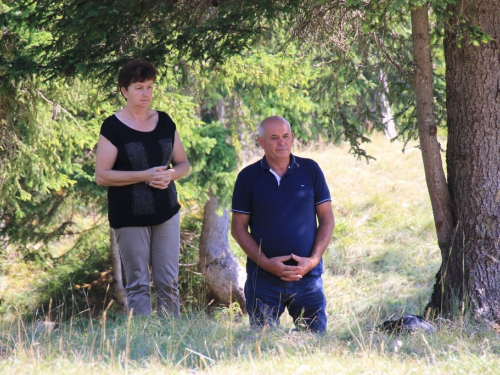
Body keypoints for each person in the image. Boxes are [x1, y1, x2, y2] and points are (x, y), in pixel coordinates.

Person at [95, 60, 189, 317]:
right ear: (124, 91)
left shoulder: (166, 121)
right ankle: (142, 342)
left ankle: (172, 339)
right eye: (139, 87)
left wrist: (170, 175)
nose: (146, 93)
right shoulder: (112, 127)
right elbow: (102, 175)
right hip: (129, 217)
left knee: (168, 283)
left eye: (149, 87)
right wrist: (144, 176)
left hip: (167, 212)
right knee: (137, 284)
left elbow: (183, 164)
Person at [231, 116, 335, 332]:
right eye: (274, 138)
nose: (282, 143)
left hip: (307, 278)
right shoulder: (247, 177)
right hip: (264, 280)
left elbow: (327, 218)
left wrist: (313, 261)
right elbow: (238, 228)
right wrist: (267, 263)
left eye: (286, 136)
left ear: (292, 138)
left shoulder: (311, 169)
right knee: (263, 344)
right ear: (260, 142)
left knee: (314, 344)